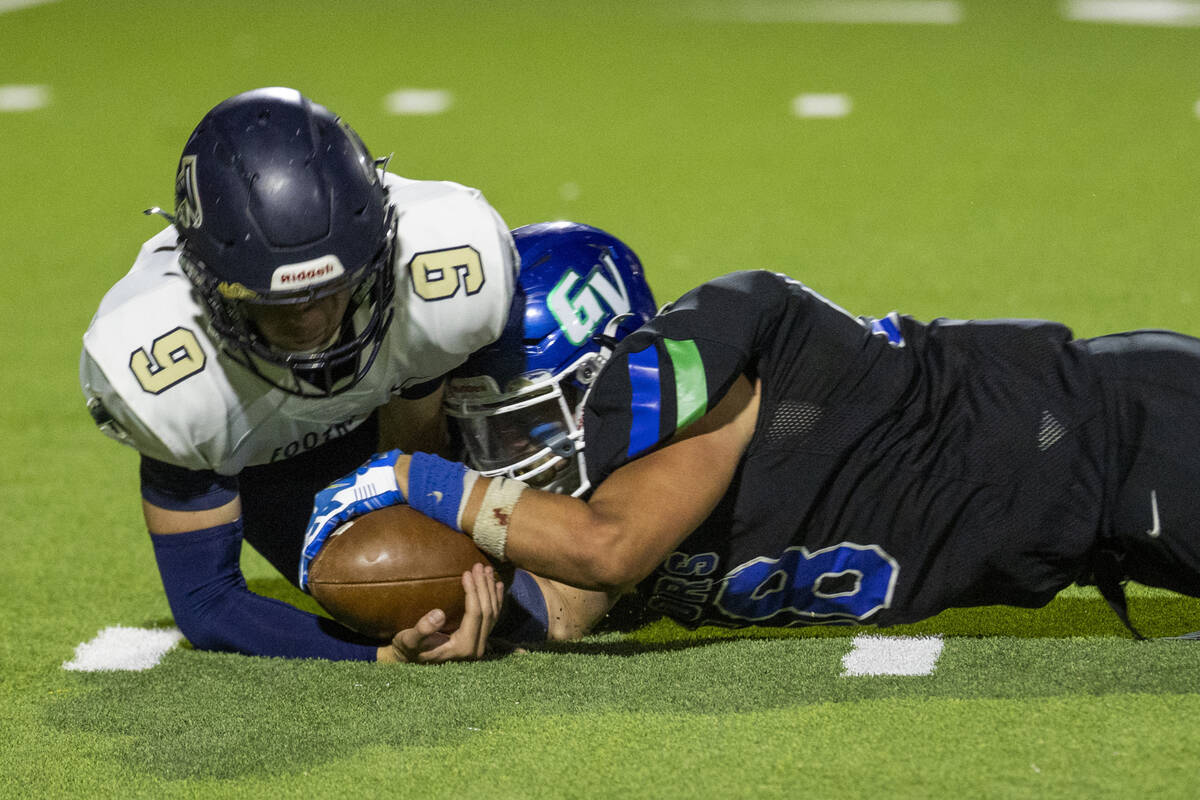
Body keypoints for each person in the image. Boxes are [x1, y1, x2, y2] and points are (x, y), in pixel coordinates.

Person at [305, 220, 1200, 659]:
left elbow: (608, 552)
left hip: (1130, 431)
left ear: (601, 364)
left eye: (526, 421)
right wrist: (474, 625)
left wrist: (409, 478)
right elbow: (572, 600)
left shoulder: (719, 361)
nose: (504, 457)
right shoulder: (618, 472)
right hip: (1093, 523)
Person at [79, 87, 522, 662]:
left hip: (408, 421)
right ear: (205, 278)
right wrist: (382, 655)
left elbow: (419, 427)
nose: (310, 319)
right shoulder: (165, 363)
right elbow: (208, 602)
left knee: (549, 592)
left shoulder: (445, 262)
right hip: (278, 468)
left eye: (329, 287)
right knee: (414, 599)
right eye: (275, 300)